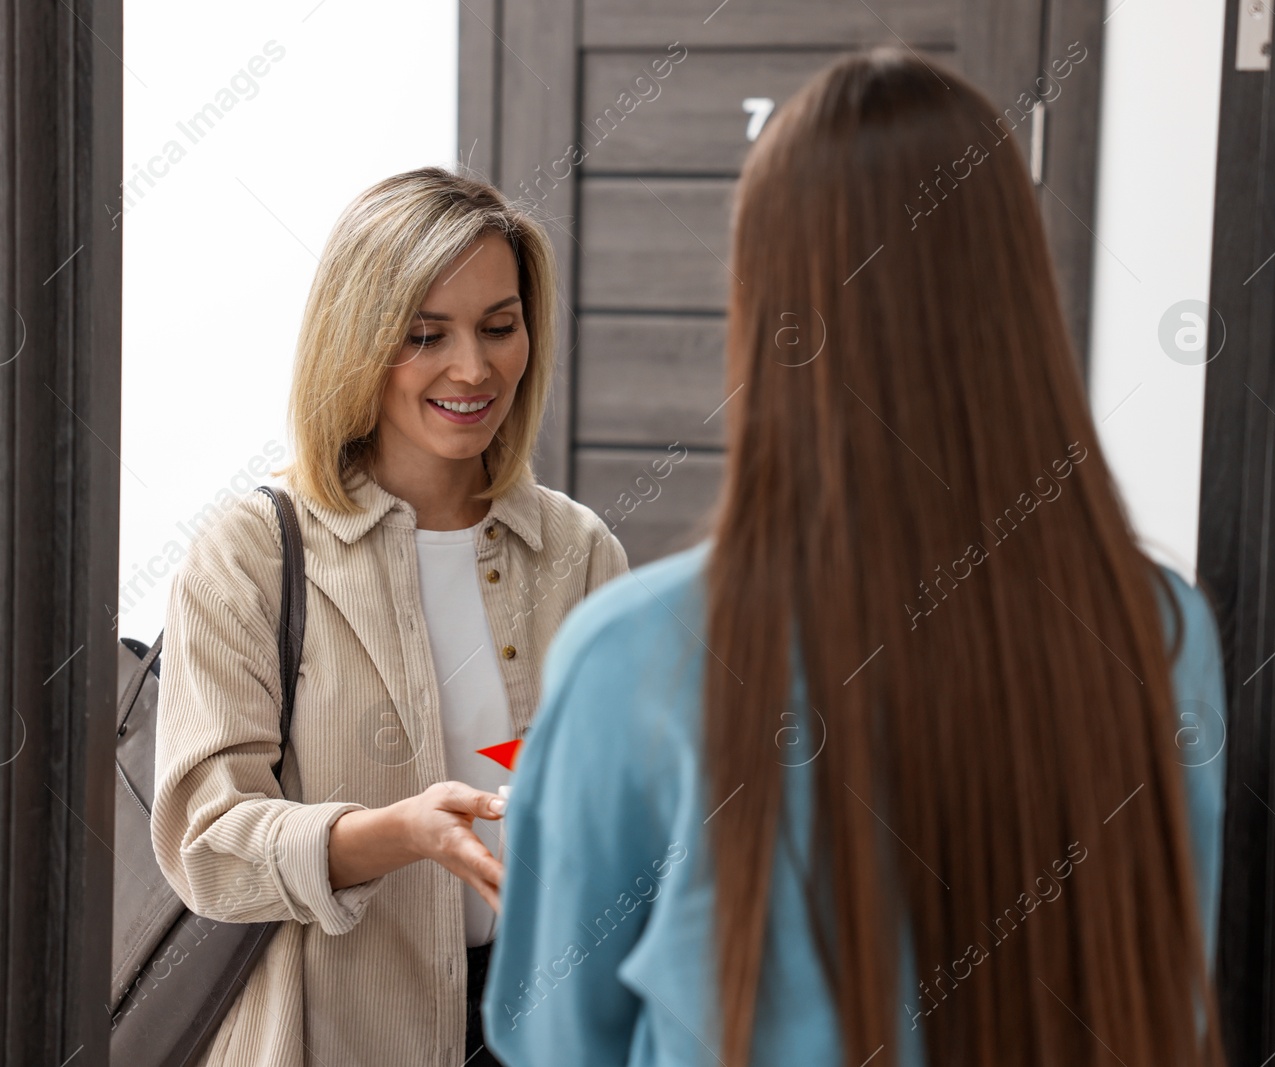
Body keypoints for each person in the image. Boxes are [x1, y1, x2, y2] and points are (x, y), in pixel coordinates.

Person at [483, 49, 1227, 1067]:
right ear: (1017, 296)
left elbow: (556, 1035)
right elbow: (1169, 989)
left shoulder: (631, 655)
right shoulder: (1160, 629)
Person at [151, 166, 628, 1067]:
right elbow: (207, 844)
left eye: (500, 326)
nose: (474, 368)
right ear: (358, 341)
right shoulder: (252, 550)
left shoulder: (579, 549)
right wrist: (395, 834)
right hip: (330, 1032)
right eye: (425, 334)